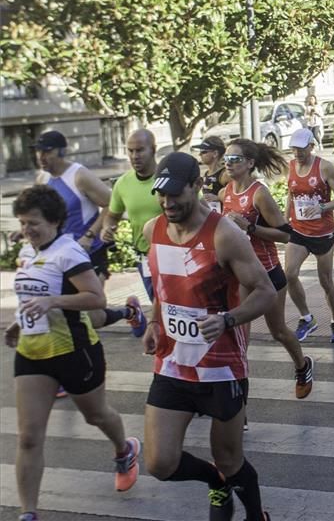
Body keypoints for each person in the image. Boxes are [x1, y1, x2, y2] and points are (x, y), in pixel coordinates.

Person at [140, 152, 275, 521]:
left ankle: (255, 515)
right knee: (159, 463)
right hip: (172, 365)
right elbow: (164, 288)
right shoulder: (152, 229)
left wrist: (229, 320)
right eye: (161, 195)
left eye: (175, 195)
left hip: (221, 368)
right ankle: (215, 483)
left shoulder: (224, 235)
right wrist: (155, 323)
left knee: (231, 461)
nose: (168, 203)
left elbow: (265, 291)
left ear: (198, 186)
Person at [6, 185, 141, 521]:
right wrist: (18, 322)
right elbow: (31, 294)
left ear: (53, 221)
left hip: (74, 350)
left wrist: (53, 301)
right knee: (28, 437)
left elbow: (95, 299)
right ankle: (28, 513)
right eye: (22, 222)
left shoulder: (69, 253)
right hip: (32, 354)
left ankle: (124, 450)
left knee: (96, 416)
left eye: (33, 222)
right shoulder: (27, 251)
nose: (27, 229)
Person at [220, 138, 314, 398]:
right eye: (226, 159)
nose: (228, 164)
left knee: (279, 332)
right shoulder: (225, 191)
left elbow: (286, 235)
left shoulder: (259, 193)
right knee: (240, 339)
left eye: (234, 159)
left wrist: (249, 227)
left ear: (250, 163)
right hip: (240, 277)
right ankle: (239, 406)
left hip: (268, 275)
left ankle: (302, 365)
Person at [33, 130, 146, 337]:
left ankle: (130, 311)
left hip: (88, 253)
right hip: (59, 257)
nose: (41, 156)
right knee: (66, 312)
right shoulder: (42, 179)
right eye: (38, 151)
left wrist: (90, 235)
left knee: (93, 318)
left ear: (61, 151)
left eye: (46, 151)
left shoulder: (79, 175)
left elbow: (112, 205)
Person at [284, 128, 334, 343]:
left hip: (322, 233)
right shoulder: (291, 166)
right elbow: (290, 196)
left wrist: (322, 207)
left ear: (311, 146)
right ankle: (306, 318)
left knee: (325, 281)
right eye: (294, 149)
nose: (298, 153)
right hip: (299, 231)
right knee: (289, 274)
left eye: (302, 149)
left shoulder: (324, 167)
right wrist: (285, 222)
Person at [100, 129, 164, 303]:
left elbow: (199, 209)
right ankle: (140, 320)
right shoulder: (123, 183)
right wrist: (107, 228)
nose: (134, 156)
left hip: (173, 254)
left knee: (174, 305)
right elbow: (112, 215)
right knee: (156, 303)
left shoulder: (169, 178)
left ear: (153, 149)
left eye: (140, 150)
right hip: (144, 256)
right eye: (130, 150)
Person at [193, 135, 229, 212]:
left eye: (203, 152)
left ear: (215, 153)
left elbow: (237, 196)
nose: (200, 155)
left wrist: (218, 198)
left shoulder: (224, 174)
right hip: (211, 216)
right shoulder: (207, 173)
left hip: (224, 218)